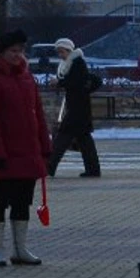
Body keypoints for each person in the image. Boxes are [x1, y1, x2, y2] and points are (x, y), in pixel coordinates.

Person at [0, 30, 51, 267]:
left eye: (21, 51)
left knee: (22, 201)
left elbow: (38, 115)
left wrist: (45, 146)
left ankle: (20, 249)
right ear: (1, 52)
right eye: (13, 51)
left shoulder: (27, 78)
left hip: (28, 152)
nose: (18, 55)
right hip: (4, 154)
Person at [47, 38, 103, 179]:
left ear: (68, 50)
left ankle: (49, 167)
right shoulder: (70, 63)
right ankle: (93, 169)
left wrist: (60, 83)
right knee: (84, 140)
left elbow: (76, 82)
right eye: (58, 51)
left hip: (78, 108)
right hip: (77, 107)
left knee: (62, 138)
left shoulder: (77, 63)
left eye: (62, 51)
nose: (60, 54)